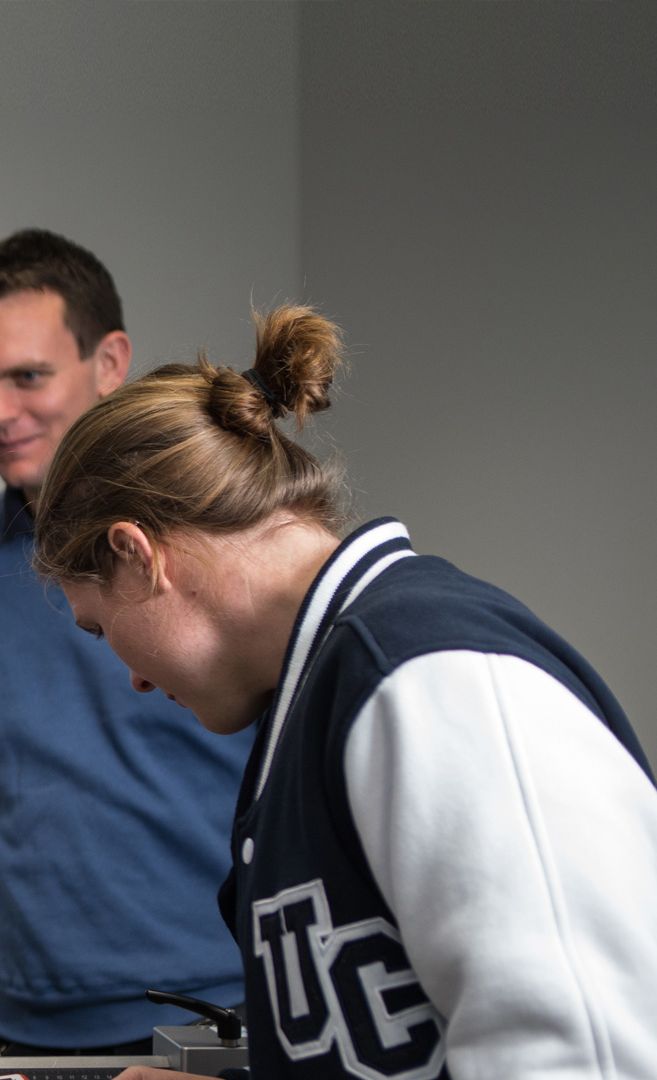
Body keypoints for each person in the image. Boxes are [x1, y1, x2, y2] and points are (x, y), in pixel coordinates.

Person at [33, 306, 657, 1078]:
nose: (131, 676)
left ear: (136, 554)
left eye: (100, 628)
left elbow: (585, 1060)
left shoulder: (426, 677)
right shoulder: (323, 695)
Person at [0, 230, 251, 1052]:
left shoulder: (221, 549)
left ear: (109, 363)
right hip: (24, 1025)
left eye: (27, 376)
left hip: (219, 1016)